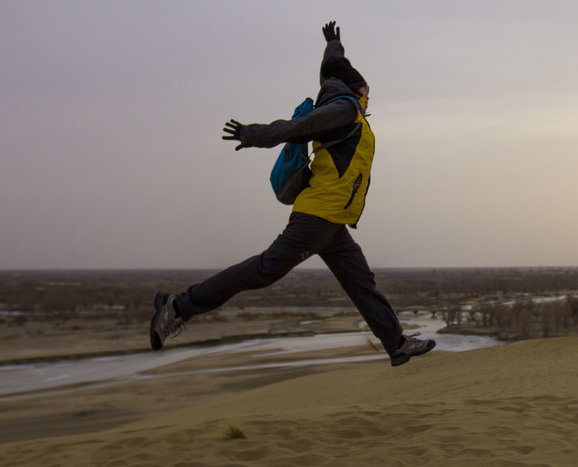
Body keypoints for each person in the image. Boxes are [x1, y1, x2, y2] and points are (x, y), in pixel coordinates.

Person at [149, 21, 435, 367]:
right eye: (366, 87)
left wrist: (333, 44)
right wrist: (252, 134)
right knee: (264, 270)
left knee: (362, 283)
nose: (369, 93)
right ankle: (177, 306)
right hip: (317, 217)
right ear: (357, 88)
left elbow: (332, 69)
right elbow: (297, 128)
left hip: (333, 223)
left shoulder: (347, 109)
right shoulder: (344, 109)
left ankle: (397, 343)